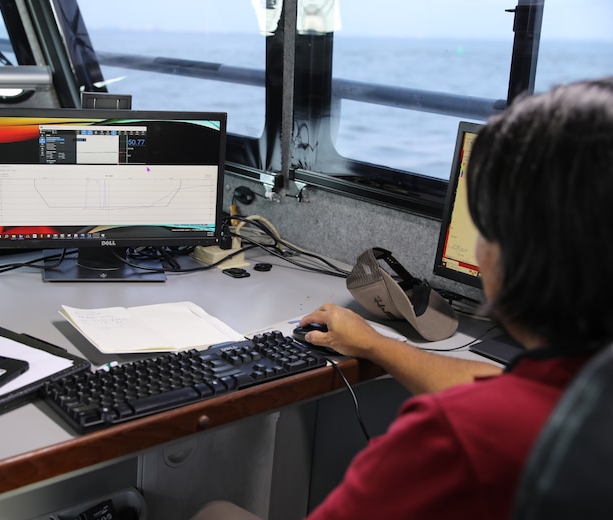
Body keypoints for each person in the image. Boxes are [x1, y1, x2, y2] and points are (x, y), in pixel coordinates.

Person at [191, 77, 613, 520]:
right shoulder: (581, 398)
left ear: (511, 254)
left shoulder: (456, 438)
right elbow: (503, 393)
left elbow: (493, 410)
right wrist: (376, 346)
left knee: (214, 514)